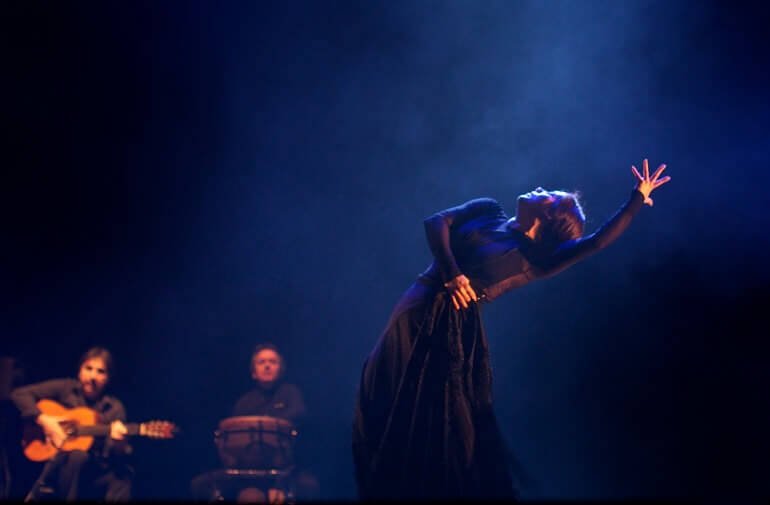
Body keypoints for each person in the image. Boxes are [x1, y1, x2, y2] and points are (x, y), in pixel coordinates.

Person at [352, 159, 671, 500]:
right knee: (378, 387)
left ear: (551, 218)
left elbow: (596, 242)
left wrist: (637, 197)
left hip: (450, 329)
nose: (540, 188)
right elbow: (436, 223)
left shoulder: (536, 260)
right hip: (416, 303)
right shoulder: (486, 210)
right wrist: (451, 272)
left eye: (549, 195)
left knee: (440, 427)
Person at [191, 343, 319, 503]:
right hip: (250, 475)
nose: (267, 366)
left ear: (281, 369)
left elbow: (299, 417)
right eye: (261, 362)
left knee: (309, 486)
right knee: (209, 487)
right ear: (253, 372)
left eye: (273, 362)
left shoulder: (291, 393)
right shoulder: (244, 402)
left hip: (286, 471)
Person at [10, 346, 132, 501]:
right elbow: (19, 394)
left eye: (101, 371)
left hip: (93, 469)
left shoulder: (114, 408)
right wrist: (44, 420)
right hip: (53, 457)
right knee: (77, 457)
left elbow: (117, 455)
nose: (93, 376)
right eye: (88, 368)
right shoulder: (66, 388)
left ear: (108, 378)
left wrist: (118, 443)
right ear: (80, 371)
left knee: (122, 474)